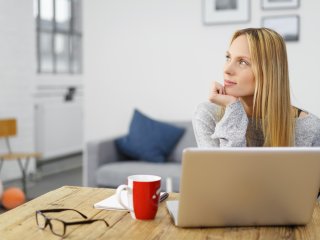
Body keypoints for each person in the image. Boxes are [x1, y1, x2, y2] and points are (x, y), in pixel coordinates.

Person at [192, 28, 320, 147]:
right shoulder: (208, 115)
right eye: (228, 58)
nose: (227, 69)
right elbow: (225, 171)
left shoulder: (310, 128)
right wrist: (233, 109)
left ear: (269, 72)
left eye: (243, 62)